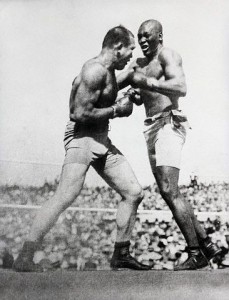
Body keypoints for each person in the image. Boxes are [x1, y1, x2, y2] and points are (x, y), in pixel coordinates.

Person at [13, 25, 151, 272]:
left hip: (100, 139)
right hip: (82, 138)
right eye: (129, 51)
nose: (131, 56)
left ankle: (121, 254)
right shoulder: (93, 71)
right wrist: (117, 111)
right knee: (65, 196)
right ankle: (25, 255)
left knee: (133, 192)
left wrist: (128, 92)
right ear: (117, 47)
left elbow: (107, 93)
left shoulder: (107, 71)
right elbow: (78, 113)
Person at [117, 19, 221, 270]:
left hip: (169, 123)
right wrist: (134, 93)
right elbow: (142, 96)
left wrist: (147, 83)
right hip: (151, 126)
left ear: (159, 36)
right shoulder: (140, 62)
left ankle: (196, 253)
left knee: (168, 188)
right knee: (168, 189)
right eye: (139, 36)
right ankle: (206, 245)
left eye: (147, 36)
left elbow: (180, 87)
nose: (142, 40)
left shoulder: (168, 55)